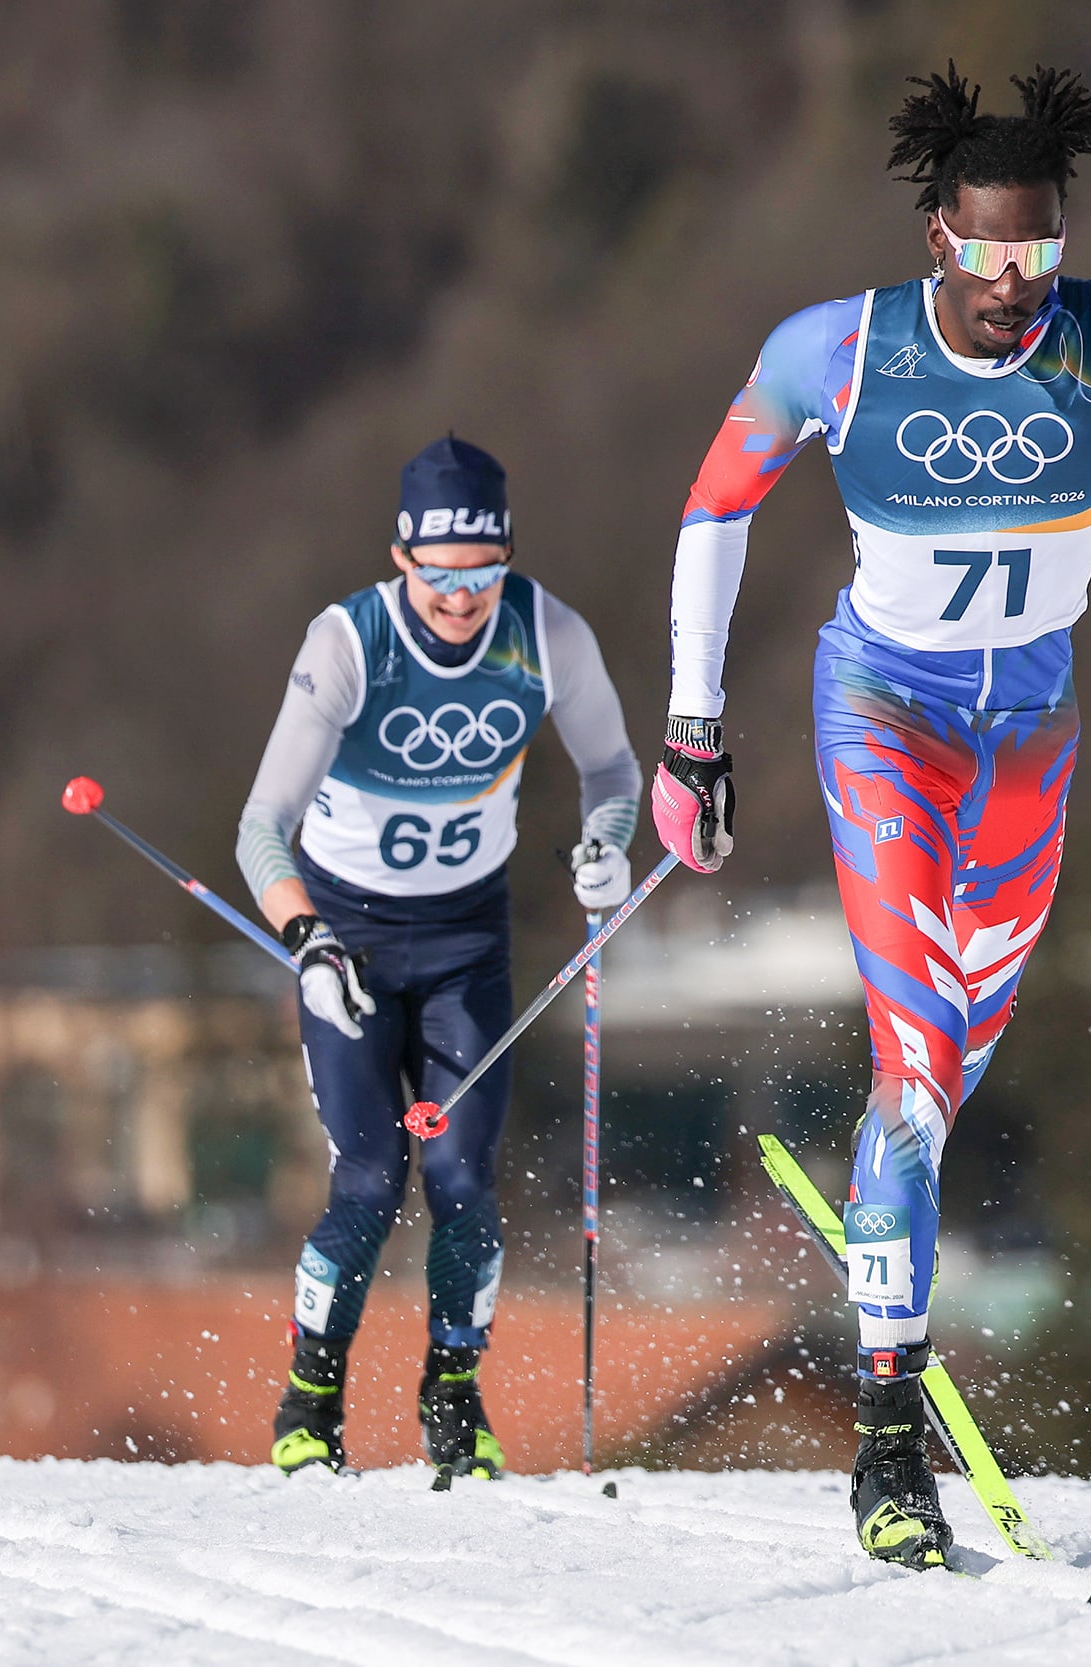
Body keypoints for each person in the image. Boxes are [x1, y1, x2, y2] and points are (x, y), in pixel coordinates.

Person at [650, 65, 1091, 1565]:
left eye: (1042, 252)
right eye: (992, 253)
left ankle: (890, 1216)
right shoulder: (836, 352)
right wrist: (692, 728)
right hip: (887, 715)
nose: (1018, 285)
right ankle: (887, 1446)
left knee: (944, 1091)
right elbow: (713, 512)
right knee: (917, 1063)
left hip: (1029, 744)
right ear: (939, 233)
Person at [239, 434, 641, 1479]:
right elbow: (261, 828)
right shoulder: (349, 642)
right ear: (401, 558)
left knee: (463, 1172)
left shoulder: (547, 633)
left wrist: (606, 846)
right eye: (439, 576)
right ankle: (310, 1400)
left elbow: (612, 768)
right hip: (350, 939)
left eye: (482, 574)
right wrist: (307, 941)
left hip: (467, 939)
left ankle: (454, 1398)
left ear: (506, 558)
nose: (461, 599)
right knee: (371, 1176)